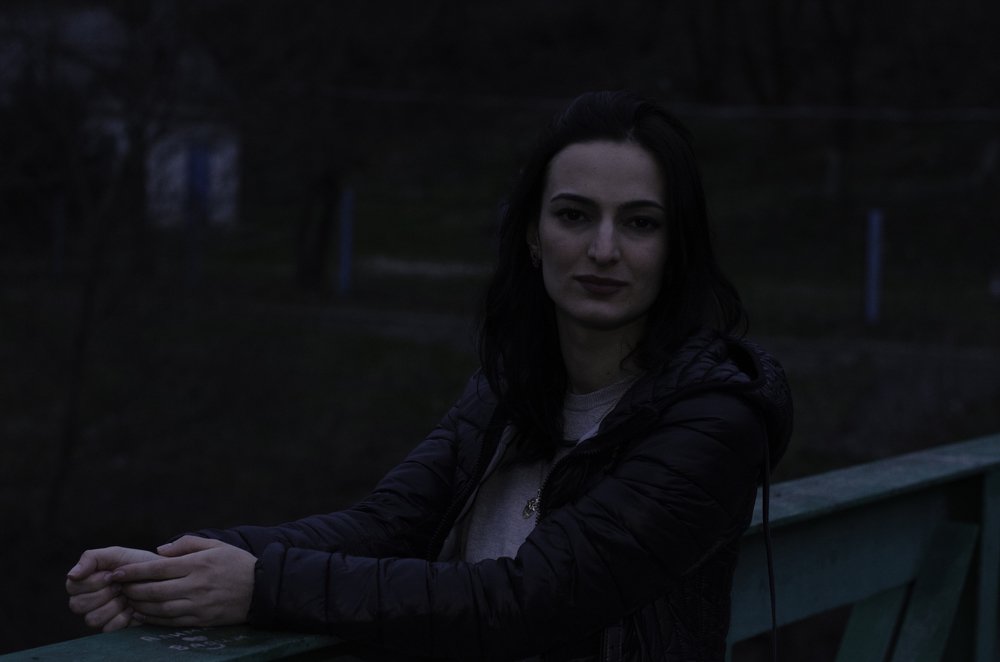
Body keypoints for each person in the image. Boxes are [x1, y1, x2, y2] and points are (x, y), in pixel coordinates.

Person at [66, 90, 792, 661]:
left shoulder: (713, 422)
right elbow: (383, 527)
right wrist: (183, 566)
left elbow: (527, 602)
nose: (603, 249)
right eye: (574, 215)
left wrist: (259, 586)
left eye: (639, 223)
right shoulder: (507, 392)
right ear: (534, 235)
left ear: (677, 247)